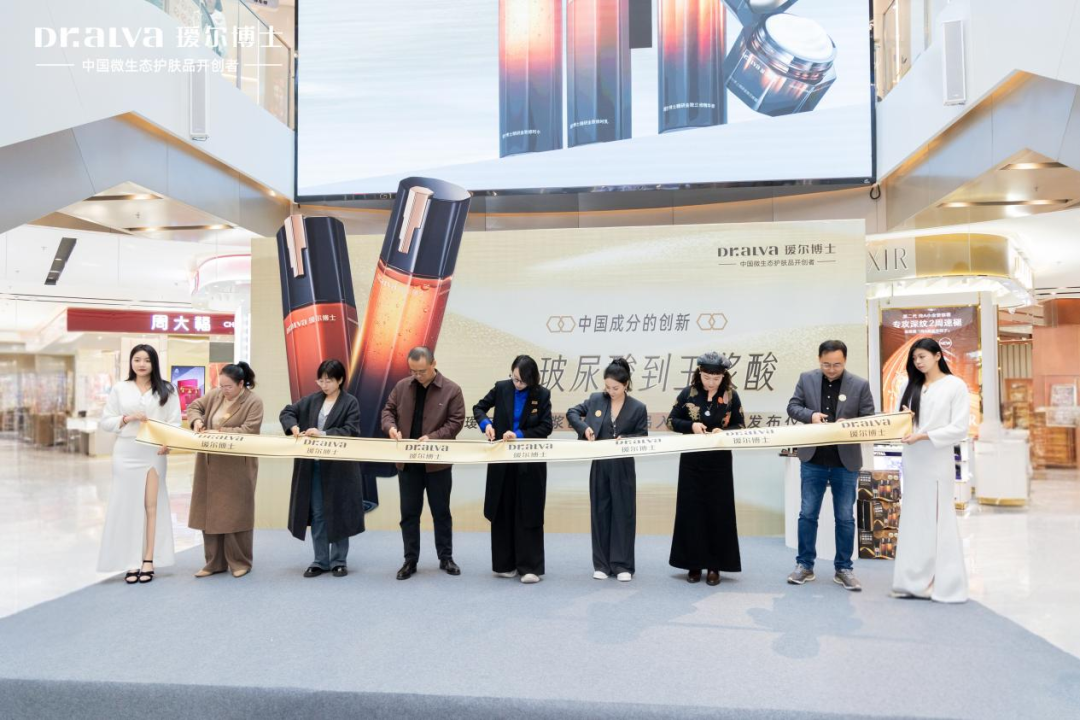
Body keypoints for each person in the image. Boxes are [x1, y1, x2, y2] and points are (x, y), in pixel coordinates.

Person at [785, 340, 877, 591]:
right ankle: (804, 565)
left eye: (837, 364)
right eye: (826, 364)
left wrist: (851, 424)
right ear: (819, 360)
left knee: (845, 517)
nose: (832, 369)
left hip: (845, 462)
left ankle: (844, 568)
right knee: (807, 514)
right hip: (813, 459)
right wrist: (811, 416)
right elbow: (793, 407)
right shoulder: (806, 379)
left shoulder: (860, 384)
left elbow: (869, 417)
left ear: (845, 361)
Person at [892, 338, 970, 603]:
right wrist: (905, 421)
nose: (918, 362)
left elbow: (959, 428)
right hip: (913, 460)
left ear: (938, 356)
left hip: (937, 460)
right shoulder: (908, 385)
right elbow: (899, 424)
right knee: (914, 518)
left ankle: (944, 584)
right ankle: (911, 581)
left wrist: (923, 436)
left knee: (939, 518)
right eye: (914, 358)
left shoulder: (955, 386)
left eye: (922, 356)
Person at [97, 345, 181, 584]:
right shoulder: (120, 388)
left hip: (153, 452)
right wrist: (127, 418)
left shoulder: (167, 389)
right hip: (125, 452)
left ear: (154, 363)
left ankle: (148, 559)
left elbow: (174, 422)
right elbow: (106, 421)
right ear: (131, 362)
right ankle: (131, 561)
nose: (142, 364)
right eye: (137, 359)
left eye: (147, 360)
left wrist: (168, 443)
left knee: (151, 506)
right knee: (127, 506)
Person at [380, 347, 466, 580]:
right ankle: (410, 560)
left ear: (433, 364)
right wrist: (391, 427)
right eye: (413, 371)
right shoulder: (401, 387)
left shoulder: (452, 390)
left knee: (441, 512)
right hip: (408, 464)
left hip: (437, 464)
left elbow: (456, 422)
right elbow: (387, 411)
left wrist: (433, 438)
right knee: (409, 514)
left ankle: (446, 557)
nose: (417, 375)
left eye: (421, 371)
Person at [280, 359, 365, 578]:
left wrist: (324, 434)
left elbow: (351, 430)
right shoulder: (311, 400)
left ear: (340, 380)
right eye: (321, 380)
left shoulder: (350, 402)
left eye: (329, 380)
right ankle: (320, 560)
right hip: (314, 466)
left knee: (339, 512)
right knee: (318, 513)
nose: (324, 385)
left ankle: (339, 561)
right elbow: (287, 412)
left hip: (340, 468)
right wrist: (293, 426)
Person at [473, 355, 554, 584]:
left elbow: (546, 427)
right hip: (502, 461)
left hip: (530, 463)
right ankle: (504, 564)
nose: (517, 384)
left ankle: (530, 567)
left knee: (528, 510)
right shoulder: (502, 388)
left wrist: (518, 435)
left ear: (531, 379)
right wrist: (487, 425)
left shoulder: (542, 394)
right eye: (514, 378)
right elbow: (479, 408)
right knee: (503, 508)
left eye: (521, 381)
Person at [667, 352, 745, 586]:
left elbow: (740, 425)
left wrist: (725, 432)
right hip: (692, 461)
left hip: (719, 462)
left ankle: (714, 566)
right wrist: (691, 425)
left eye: (716, 378)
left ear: (724, 376)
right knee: (691, 511)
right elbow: (671, 421)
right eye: (707, 377)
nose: (711, 382)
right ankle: (693, 564)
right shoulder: (688, 394)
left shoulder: (731, 396)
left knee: (718, 511)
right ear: (699, 374)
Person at [567, 358, 648, 582]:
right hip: (600, 465)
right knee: (600, 512)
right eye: (607, 387)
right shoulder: (596, 399)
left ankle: (622, 565)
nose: (610, 392)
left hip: (623, 467)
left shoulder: (638, 408)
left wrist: (627, 439)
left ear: (626, 384)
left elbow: (643, 437)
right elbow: (572, 412)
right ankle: (602, 564)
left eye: (616, 388)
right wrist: (584, 428)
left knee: (623, 513)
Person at [186, 362, 264, 579]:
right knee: (209, 513)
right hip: (209, 463)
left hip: (237, 466)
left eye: (228, 386)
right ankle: (214, 562)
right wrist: (197, 421)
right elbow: (194, 407)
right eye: (221, 385)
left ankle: (240, 561)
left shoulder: (253, 402)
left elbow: (249, 430)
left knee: (236, 513)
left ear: (241, 384)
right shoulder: (215, 395)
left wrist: (219, 432)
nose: (224, 390)